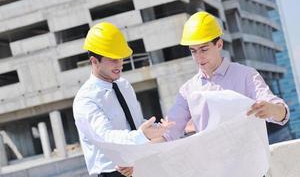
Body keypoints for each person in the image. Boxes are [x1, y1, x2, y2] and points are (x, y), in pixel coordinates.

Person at [161, 11, 289, 141]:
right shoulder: (187, 90)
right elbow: (169, 131)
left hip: (249, 159)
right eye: (193, 51)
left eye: (204, 49)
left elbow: (282, 113)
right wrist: (151, 135)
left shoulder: (246, 75)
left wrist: (272, 110)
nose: (199, 57)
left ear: (219, 44)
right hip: (212, 160)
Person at [73, 22, 173, 177]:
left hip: (138, 165)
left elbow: (135, 123)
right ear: (94, 61)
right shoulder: (86, 100)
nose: (120, 64)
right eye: (113, 59)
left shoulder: (124, 86)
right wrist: (143, 135)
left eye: (121, 58)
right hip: (111, 173)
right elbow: (106, 137)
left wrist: (156, 128)